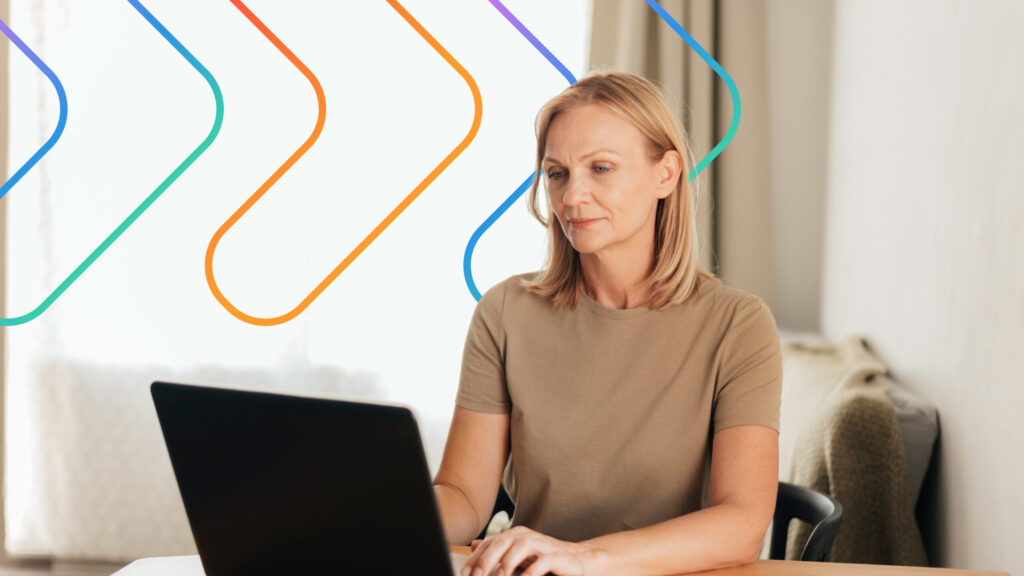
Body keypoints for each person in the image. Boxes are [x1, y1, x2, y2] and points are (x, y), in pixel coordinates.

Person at [433, 71, 783, 576]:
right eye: (557, 174)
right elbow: (464, 494)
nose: (573, 197)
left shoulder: (737, 325)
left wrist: (584, 558)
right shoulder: (505, 311)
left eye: (601, 168)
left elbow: (742, 523)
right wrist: (379, 522)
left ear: (665, 175)